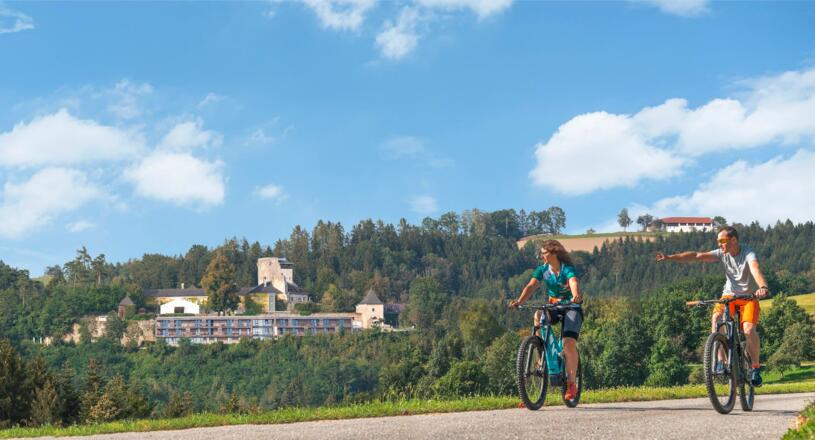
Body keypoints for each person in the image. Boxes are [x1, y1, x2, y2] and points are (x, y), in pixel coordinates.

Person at [655, 226, 769, 386]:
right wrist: (669, 257)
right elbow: (696, 256)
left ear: (734, 240)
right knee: (716, 318)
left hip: (749, 297)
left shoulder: (748, 253)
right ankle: (721, 361)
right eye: (718, 242)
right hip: (729, 295)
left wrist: (762, 287)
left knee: (749, 330)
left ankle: (756, 367)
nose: (720, 244)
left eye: (722, 241)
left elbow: (756, 270)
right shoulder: (721, 254)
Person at [509, 239, 584, 401]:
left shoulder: (567, 269)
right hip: (555, 307)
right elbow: (531, 286)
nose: (541, 256)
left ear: (554, 253)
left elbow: (573, 282)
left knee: (568, 343)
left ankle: (571, 384)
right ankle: (542, 349)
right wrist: (519, 301)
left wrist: (576, 295)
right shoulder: (543, 270)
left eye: (543, 253)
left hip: (572, 308)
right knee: (538, 315)